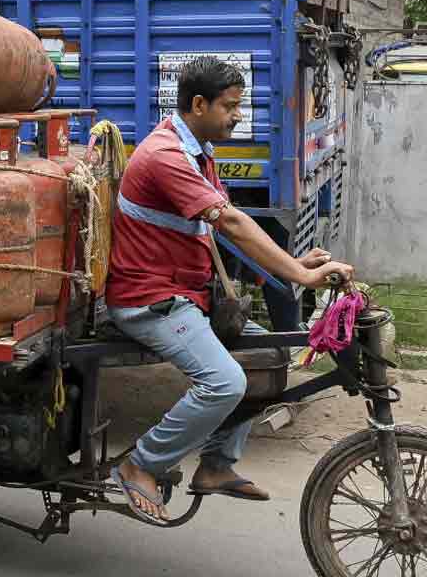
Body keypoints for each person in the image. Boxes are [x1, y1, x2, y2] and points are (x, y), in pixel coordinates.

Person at [105, 55, 355, 524]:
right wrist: (299, 277)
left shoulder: (198, 150)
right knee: (224, 382)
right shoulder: (166, 156)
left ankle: (217, 466)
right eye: (230, 106)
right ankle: (140, 464)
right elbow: (233, 223)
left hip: (185, 295)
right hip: (148, 301)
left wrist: (292, 264)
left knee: (266, 357)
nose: (238, 115)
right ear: (198, 104)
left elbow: (219, 228)